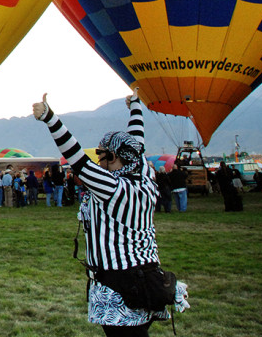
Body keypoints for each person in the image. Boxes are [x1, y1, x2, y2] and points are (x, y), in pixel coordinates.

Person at [33, 91, 174, 336]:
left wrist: (50, 118)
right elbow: (136, 139)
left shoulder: (114, 188)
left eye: (103, 155)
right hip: (146, 278)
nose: (99, 160)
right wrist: (136, 107)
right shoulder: (145, 177)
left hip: (120, 284)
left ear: (117, 157)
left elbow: (78, 160)